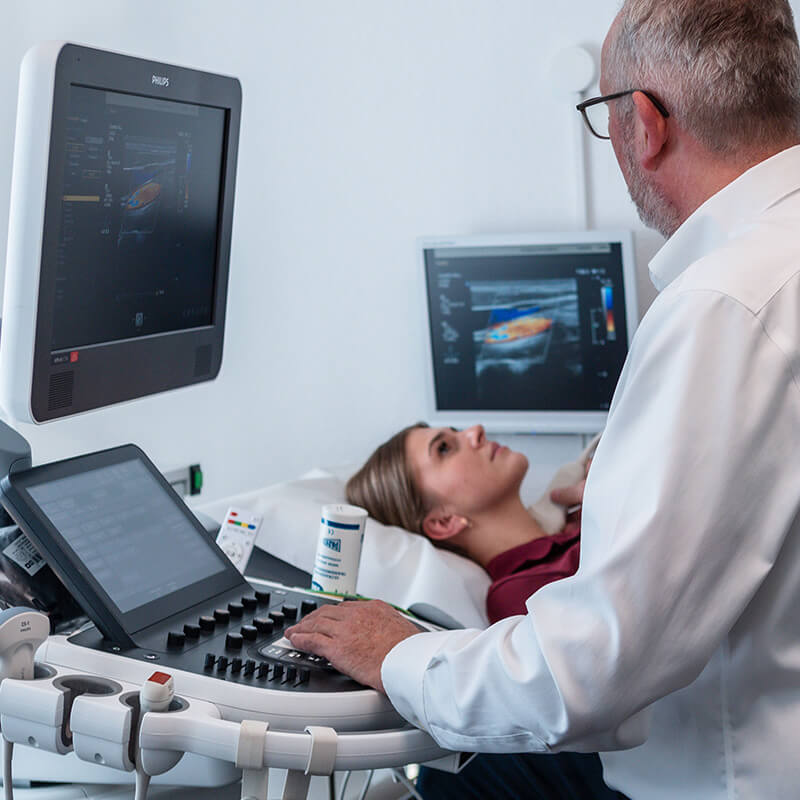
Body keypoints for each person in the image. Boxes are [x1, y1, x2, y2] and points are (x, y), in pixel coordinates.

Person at [288, 1, 800, 797]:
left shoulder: (724, 306)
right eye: (444, 447)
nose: (474, 429)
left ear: (643, 123)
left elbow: (588, 669)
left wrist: (397, 651)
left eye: (603, 121)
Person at [345, 421, 592, 623]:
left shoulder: (583, 519)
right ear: (443, 521)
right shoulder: (520, 596)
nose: (476, 430)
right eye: (443, 448)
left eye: (456, 432)